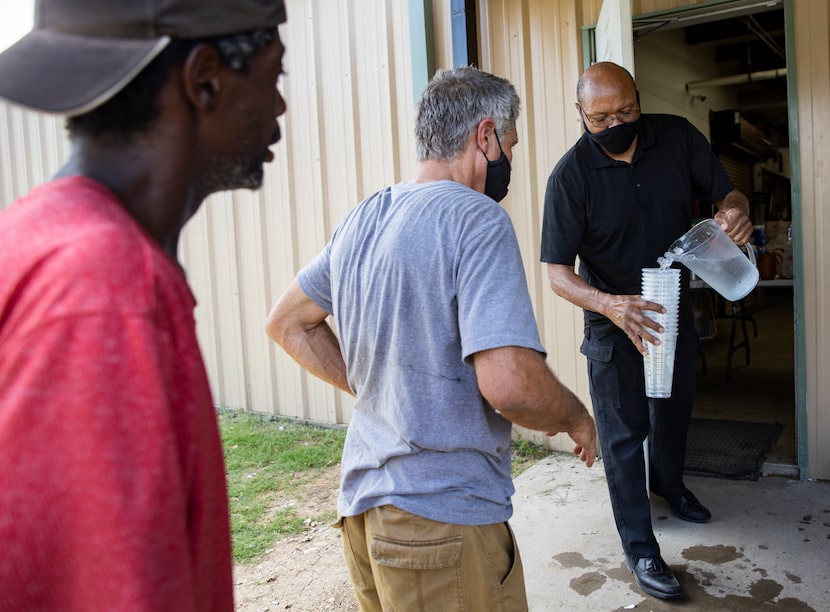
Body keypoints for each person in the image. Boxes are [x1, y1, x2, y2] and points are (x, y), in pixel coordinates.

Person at [265, 66, 598, 612]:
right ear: (485, 136)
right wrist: (575, 418)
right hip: (439, 525)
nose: (509, 160)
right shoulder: (477, 220)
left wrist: (384, 387)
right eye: (509, 145)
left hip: (365, 516)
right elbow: (510, 384)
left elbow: (287, 322)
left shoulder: (364, 218)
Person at [0, 1, 288, 609]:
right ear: (205, 79)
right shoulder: (103, 291)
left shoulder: (49, 238)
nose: (279, 111)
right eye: (274, 76)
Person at [540, 61, 753, 600]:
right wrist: (611, 306)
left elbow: (729, 197)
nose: (616, 124)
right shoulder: (569, 178)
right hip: (611, 322)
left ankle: (671, 485)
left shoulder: (678, 138)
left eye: (627, 111)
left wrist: (734, 211)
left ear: (639, 99)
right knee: (623, 434)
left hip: (670, 307)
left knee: (676, 407)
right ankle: (640, 548)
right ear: (580, 113)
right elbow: (557, 275)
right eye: (601, 118)